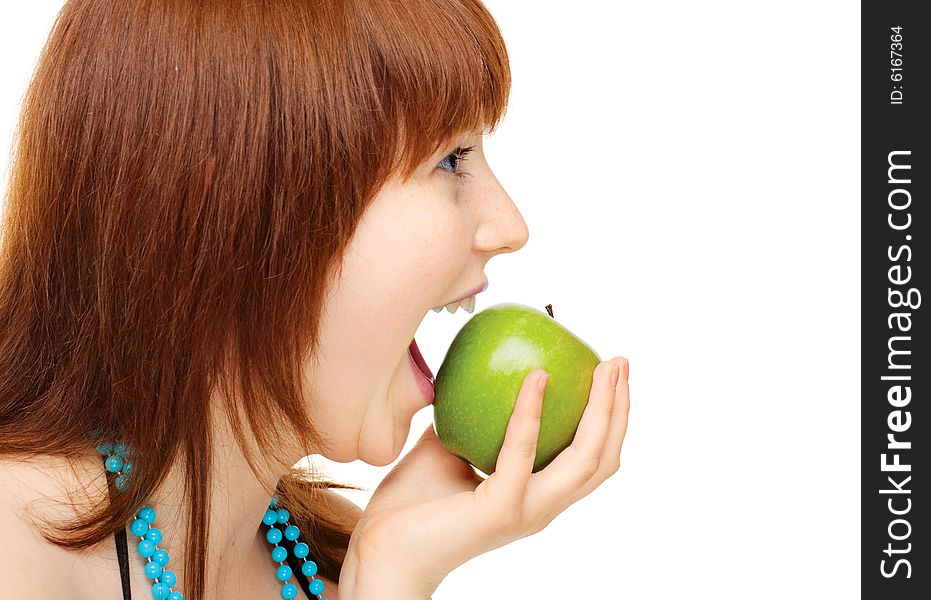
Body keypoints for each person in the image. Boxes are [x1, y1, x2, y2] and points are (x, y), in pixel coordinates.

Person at [0, 1, 631, 599]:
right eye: (450, 159)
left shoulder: (339, 562)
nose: (510, 225)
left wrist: (388, 582)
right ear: (237, 214)